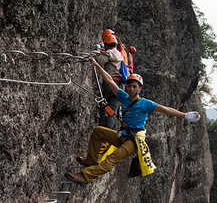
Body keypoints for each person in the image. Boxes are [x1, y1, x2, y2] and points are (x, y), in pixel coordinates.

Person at [64, 57, 200, 186]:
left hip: (134, 141)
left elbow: (165, 109)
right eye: (129, 86)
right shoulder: (123, 96)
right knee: (98, 132)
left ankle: (85, 176)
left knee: (112, 159)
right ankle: (92, 161)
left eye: (135, 86)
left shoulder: (145, 103)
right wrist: (96, 65)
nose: (131, 89)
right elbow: (110, 81)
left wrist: (185, 115)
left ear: (139, 88)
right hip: (123, 135)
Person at [96, 30, 124, 129]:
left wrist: (98, 50)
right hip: (120, 87)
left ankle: (102, 126)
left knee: (104, 105)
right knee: (113, 111)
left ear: (107, 44)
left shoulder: (109, 53)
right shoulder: (119, 54)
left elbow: (99, 61)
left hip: (109, 84)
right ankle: (109, 131)